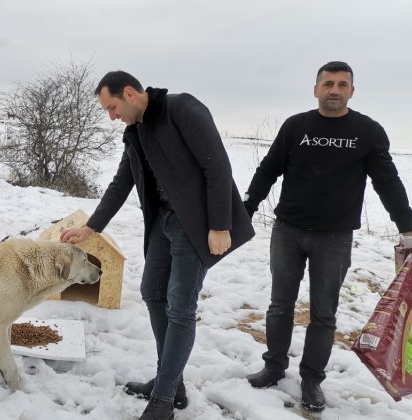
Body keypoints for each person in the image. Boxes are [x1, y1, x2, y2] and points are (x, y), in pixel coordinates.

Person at [60, 71, 254, 420]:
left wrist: (220, 225)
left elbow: (218, 166)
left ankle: (163, 400)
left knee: (180, 308)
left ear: (130, 93)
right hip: (163, 222)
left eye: (112, 107)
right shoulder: (135, 131)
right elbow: (122, 182)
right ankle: (172, 383)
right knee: (152, 292)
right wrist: (92, 227)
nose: (112, 116)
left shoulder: (182, 109)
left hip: (195, 226)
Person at [242, 61, 412, 412]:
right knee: (279, 306)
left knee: (324, 313)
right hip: (288, 230)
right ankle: (273, 368)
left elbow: (388, 182)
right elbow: (269, 169)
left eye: (342, 84)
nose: (334, 89)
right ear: (316, 88)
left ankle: (311, 380)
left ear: (352, 90)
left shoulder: (368, 131)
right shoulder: (296, 126)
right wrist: (245, 207)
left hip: (334, 238)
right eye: (328, 83)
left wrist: (406, 225)